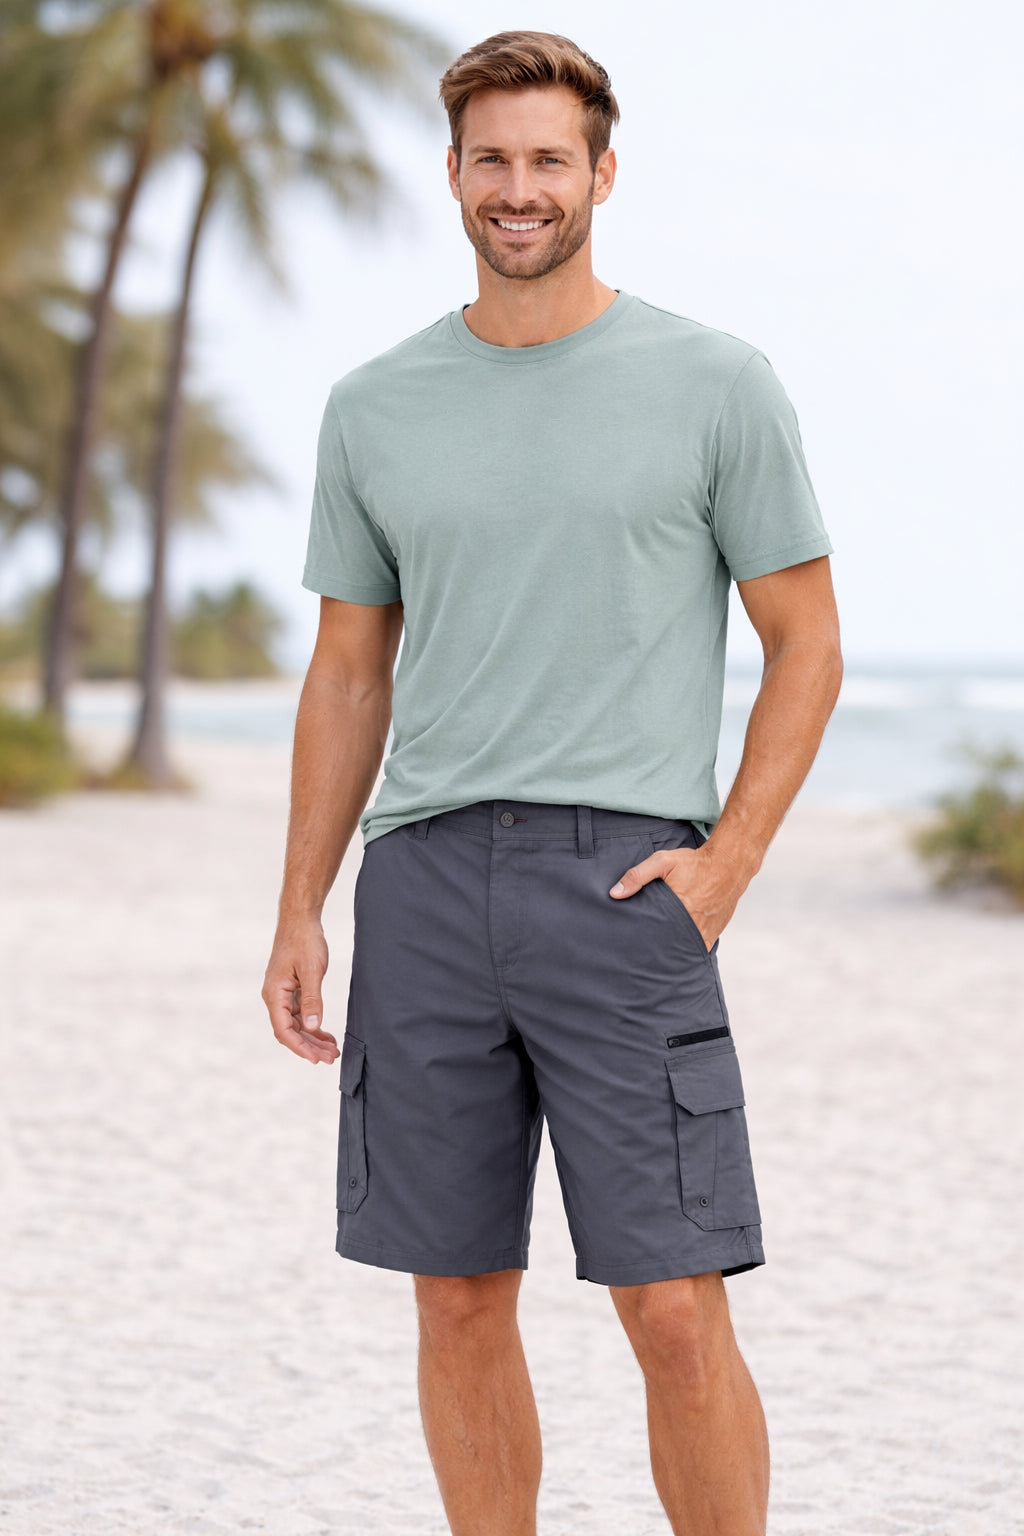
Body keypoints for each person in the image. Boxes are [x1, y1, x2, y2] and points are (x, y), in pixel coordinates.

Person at [262, 29, 842, 1536]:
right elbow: (348, 675)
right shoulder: (373, 405)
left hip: (627, 884)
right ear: (454, 174)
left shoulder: (714, 383)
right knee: (455, 1294)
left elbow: (807, 643)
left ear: (602, 175)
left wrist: (727, 864)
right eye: (492, 160)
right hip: (426, 885)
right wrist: (301, 906)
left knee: (673, 1302)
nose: (518, 189)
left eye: (548, 160)